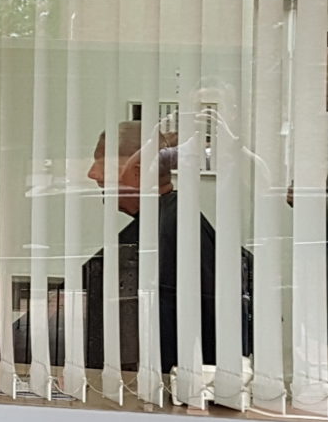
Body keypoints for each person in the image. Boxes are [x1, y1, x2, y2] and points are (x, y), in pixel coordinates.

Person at [81, 119, 251, 376]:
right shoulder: (173, 221)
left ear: (138, 172)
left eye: (100, 162)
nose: (92, 174)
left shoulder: (168, 232)